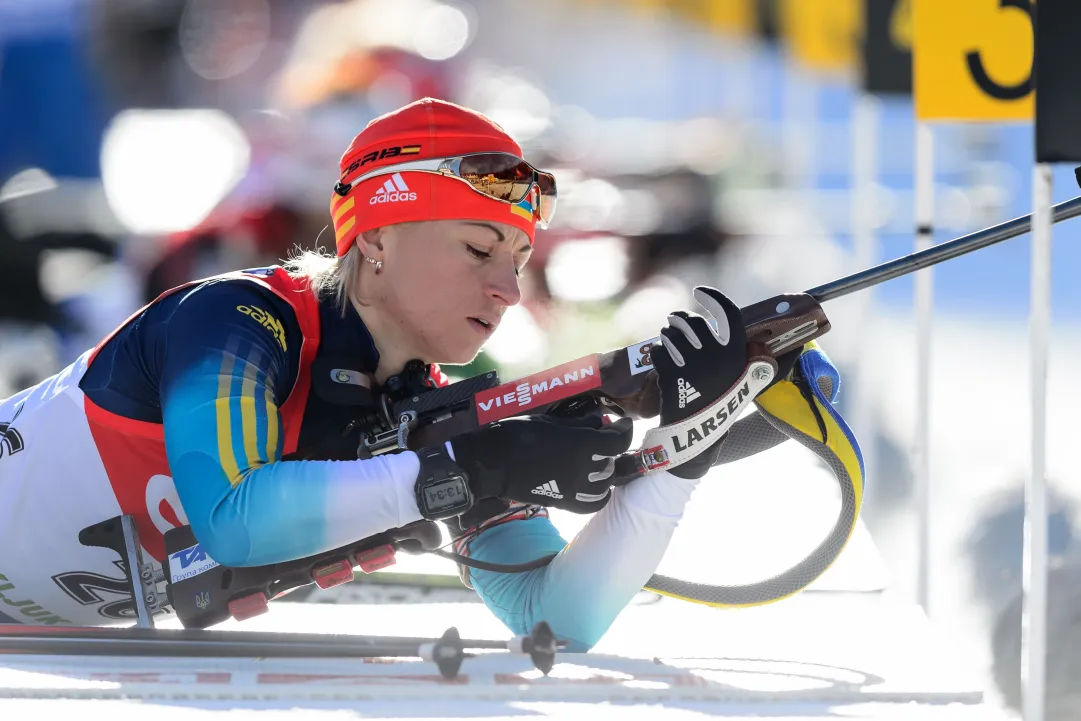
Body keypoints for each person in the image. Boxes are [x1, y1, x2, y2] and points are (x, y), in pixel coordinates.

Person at [0, 98, 762, 649]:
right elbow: (232, 519)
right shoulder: (238, 319)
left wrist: (679, 455)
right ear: (376, 241)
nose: (507, 289)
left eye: (518, 261)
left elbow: (555, 617)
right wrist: (461, 469)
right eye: (477, 250)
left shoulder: (425, 411)